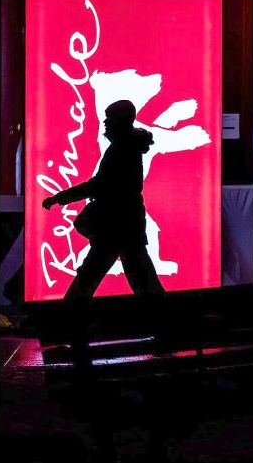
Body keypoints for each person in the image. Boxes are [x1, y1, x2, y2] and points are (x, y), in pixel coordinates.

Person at [41, 99, 166, 359]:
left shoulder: (120, 149)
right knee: (142, 281)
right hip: (126, 225)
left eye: (109, 119)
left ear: (120, 121)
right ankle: (168, 329)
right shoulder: (130, 147)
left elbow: (99, 185)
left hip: (114, 226)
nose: (105, 123)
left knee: (91, 276)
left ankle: (65, 328)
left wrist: (60, 197)